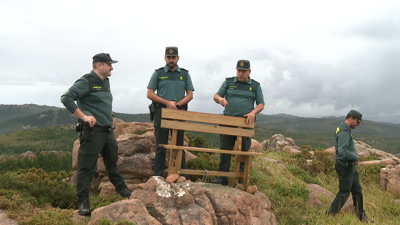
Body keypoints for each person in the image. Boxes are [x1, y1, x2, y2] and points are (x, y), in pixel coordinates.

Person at [60, 53, 132, 216]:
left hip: (108, 131)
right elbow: (66, 98)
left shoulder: (106, 81)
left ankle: (120, 189)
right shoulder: (86, 81)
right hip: (93, 133)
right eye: (109, 64)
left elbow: (101, 102)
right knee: (87, 168)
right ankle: (83, 202)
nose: (112, 67)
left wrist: (109, 114)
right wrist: (84, 117)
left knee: (112, 162)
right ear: (99, 65)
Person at [211, 59, 265, 186]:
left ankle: (240, 178)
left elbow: (261, 104)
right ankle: (222, 177)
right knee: (225, 150)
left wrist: (253, 113)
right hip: (228, 121)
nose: (241, 73)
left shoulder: (255, 86)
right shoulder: (229, 82)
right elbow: (216, 96)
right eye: (239, 71)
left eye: (243, 71)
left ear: (249, 72)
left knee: (243, 152)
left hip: (244, 123)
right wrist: (220, 100)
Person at [147, 46, 194, 178]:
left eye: (173, 57)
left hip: (179, 113)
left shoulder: (184, 74)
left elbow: (190, 94)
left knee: (179, 145)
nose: (171, 60)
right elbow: (150, 93)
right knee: (161, 145)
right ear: (165, 58)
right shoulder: (158, 73)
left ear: (178, 58)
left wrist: (177, 104)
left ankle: (183, 176)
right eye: (169, 57)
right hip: (161, 112)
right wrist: (167, 102)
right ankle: (158, 176)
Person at [327, 110, 374, 223]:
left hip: (350, 167)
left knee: (357, 191)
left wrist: (353, 159)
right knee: (344, 192)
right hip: (345, 167)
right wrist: (355, 157)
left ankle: (361, 216)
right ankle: (329, 216)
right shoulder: (343, 132)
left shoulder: (346, 130)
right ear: (351, 118)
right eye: (357, 122)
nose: (358, 124)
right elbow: (342, 151)